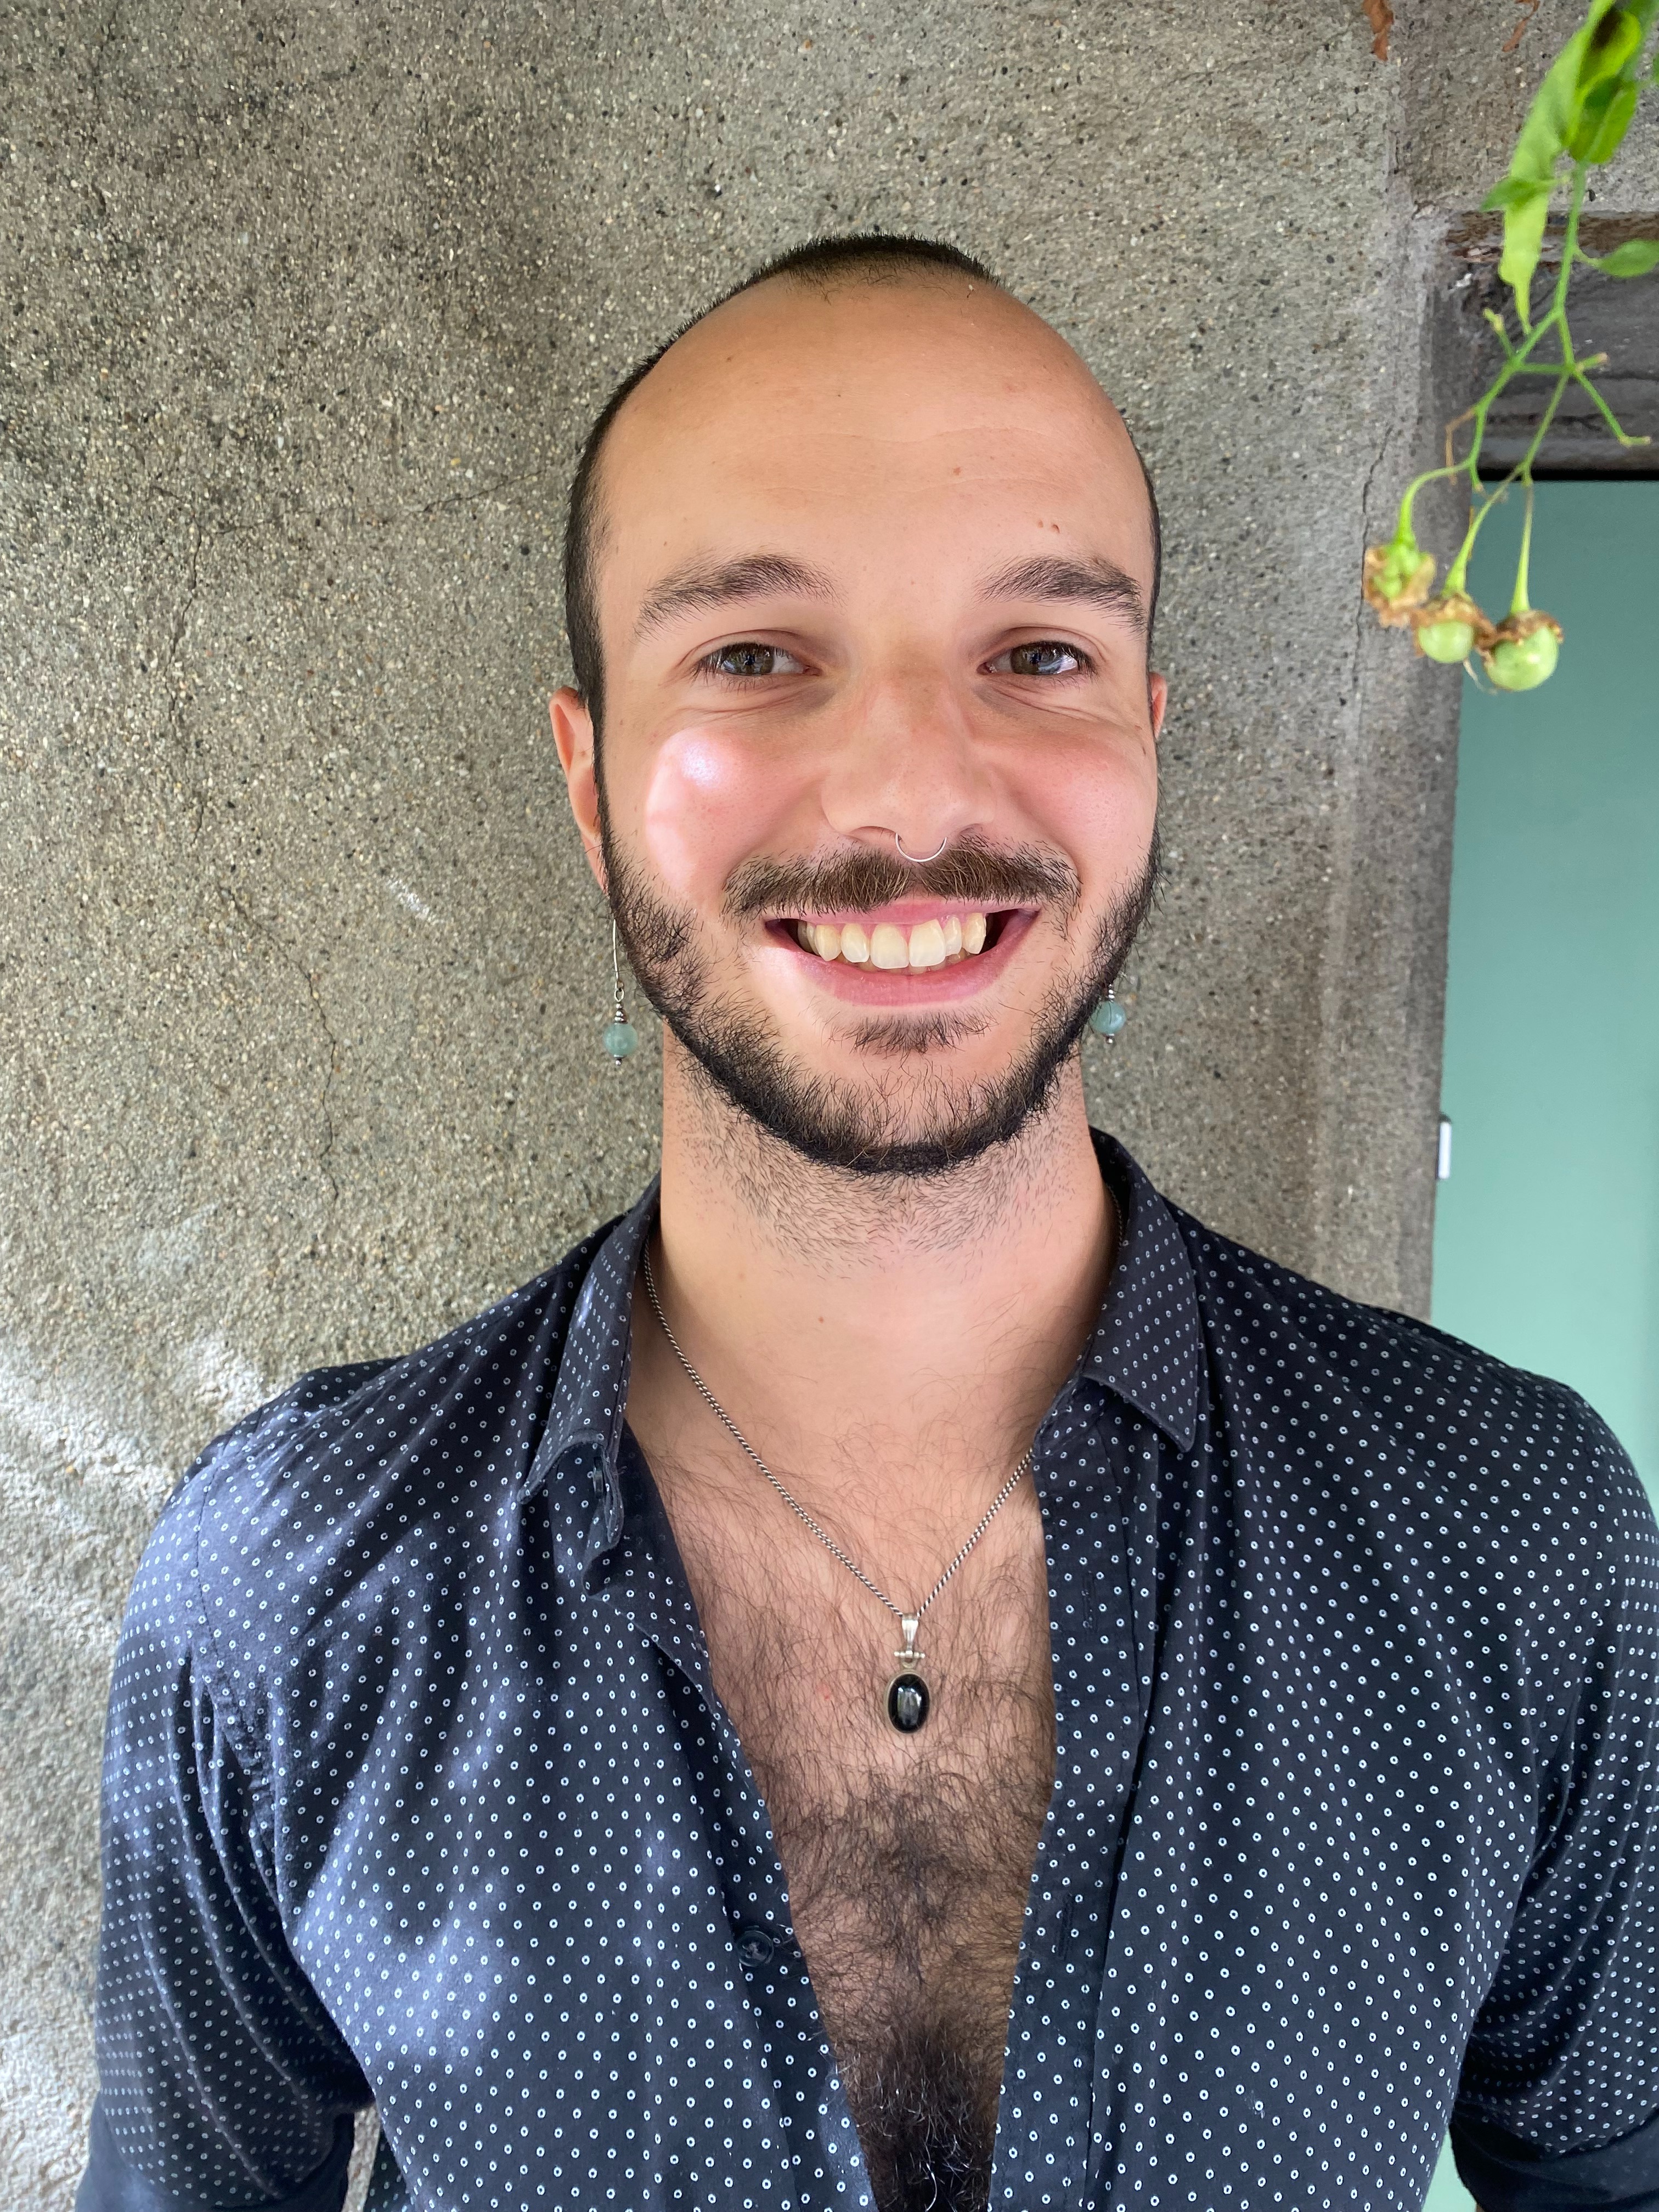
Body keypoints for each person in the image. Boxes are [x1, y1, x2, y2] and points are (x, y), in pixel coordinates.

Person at [78, 236, 1658, 2212]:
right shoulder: (290, 1590)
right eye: (755, 655)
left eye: (1040, 653)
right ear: (589, 776)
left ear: (1149, 734)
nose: (911, 789)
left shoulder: (1509, 1534)